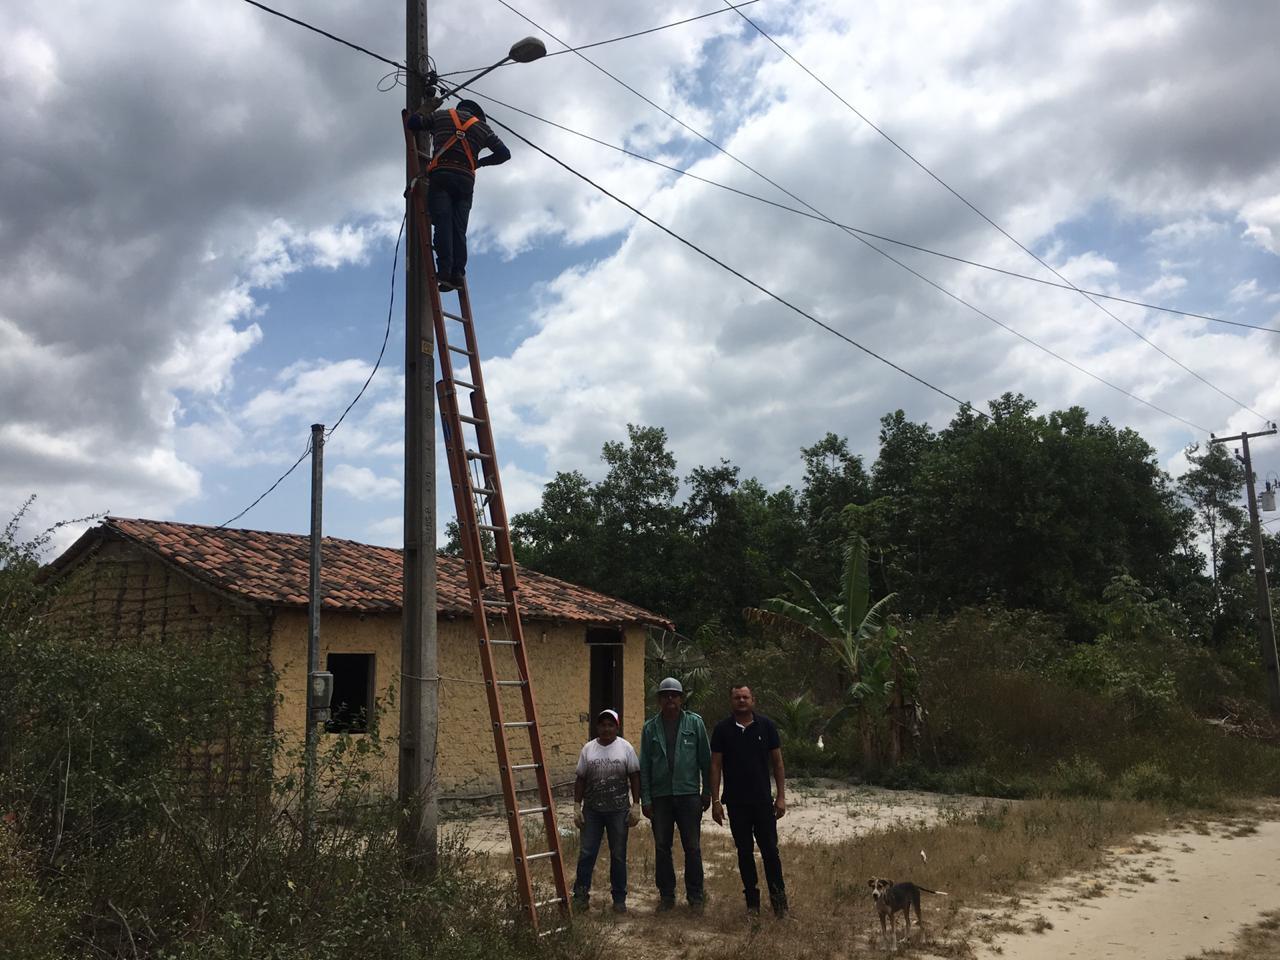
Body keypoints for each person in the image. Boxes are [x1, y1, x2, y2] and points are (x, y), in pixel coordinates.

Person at [408, 97, 511, 292]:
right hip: (465, 180)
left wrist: (425, 108)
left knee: (443, 222)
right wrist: (479, 163)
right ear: (477, 115)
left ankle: (445, 271)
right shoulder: (482, 128)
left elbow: (413, 124)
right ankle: (457, 273)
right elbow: (504, 154)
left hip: (442, 175)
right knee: (458, 228)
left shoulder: (442, 116)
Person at [710, 683, 789, 918]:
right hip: (735, 803)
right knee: (744, 852)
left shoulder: (766, 726)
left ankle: (780, 905)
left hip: (763, 802)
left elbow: (778, 763)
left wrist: (782, 797)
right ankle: (752, 905)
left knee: (770, 853)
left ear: (753, 700)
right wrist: (715, 800)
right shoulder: (722, 730)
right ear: (731, 701)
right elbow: (715, 765)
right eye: (737, 697)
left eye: (745, 697)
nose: (741, 701)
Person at [638, 677, 712, 912]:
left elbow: (706, 761)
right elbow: (645, 767)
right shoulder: (650, 728)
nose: (670, 699)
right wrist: (645, 799)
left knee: (692, 847)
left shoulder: (695, 723)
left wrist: (707, 792)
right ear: (659, 699)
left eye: (674, 695)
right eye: (665, 695)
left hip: (688, 794)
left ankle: (696, 898)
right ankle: (667, 897)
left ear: (681, 698)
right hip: (661, 798)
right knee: (662, 847)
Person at [572, 709, 641, 914]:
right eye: (602, 724)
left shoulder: (625, 748)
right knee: (586, 854)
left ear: (617, 727)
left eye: (611, 725)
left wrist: (636, 804)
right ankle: (580, 897)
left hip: (618, 811)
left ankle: (619, 899)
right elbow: (581, 778)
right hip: (592, 811)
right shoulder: (588, 749)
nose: (606, 728)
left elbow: (635, 776)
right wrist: (577, 806)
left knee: (618, 855)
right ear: (597, 727)